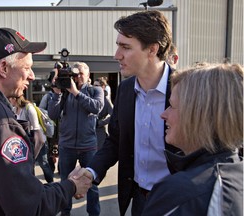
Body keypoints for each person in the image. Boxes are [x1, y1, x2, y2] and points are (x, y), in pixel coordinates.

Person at [0, 27, 91, 216]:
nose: (32, 76)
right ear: (4, 68)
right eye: (27, 68)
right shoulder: (1, 123)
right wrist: (71, 186)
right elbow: (30, 206)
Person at [74, 10, 182, 216]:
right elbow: (115, 140)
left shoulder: (185, 89)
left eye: (125, 47)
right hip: (138, 200)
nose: (117, 55)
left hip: (177, 201)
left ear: (152, 49)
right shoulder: (125, 90)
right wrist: (91, 171)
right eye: (118, 46)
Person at [141, 62, 243, 215]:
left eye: (172, 106)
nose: (163, 115)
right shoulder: (235, 171)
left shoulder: (180, 193)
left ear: (200, 116)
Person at [48, 62, 104, 216]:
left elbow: (97, 107)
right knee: (65, 183)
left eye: (81, 73)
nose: (78, 76)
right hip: (67, 146)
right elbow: (52, 114)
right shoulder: (64, 93)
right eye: (76, 73)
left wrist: (75, 92)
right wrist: (57, 93)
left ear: (88, 75)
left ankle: (94, 214)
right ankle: (65, 213)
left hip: (88, 146)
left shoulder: (95, 90)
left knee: (91, 184)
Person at [10, 95, 54, 183]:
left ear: (15, 99)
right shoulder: (14, 109)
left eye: (10, 98)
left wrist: (34, 153)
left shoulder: (28, 108)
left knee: (43, 164)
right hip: (25, 143)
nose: (9, 100)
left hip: (38, 141)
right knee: (30, 166)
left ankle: (51, 182)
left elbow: (37, 131)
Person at [93, 77, 113, 150]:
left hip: (99, 132)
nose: (94, 87)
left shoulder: (106, 101)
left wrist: (101, 123)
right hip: (89, 130)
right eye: (94, 85)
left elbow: (114, 115)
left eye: (97, 86)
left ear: (103, 87)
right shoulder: (91, 97)